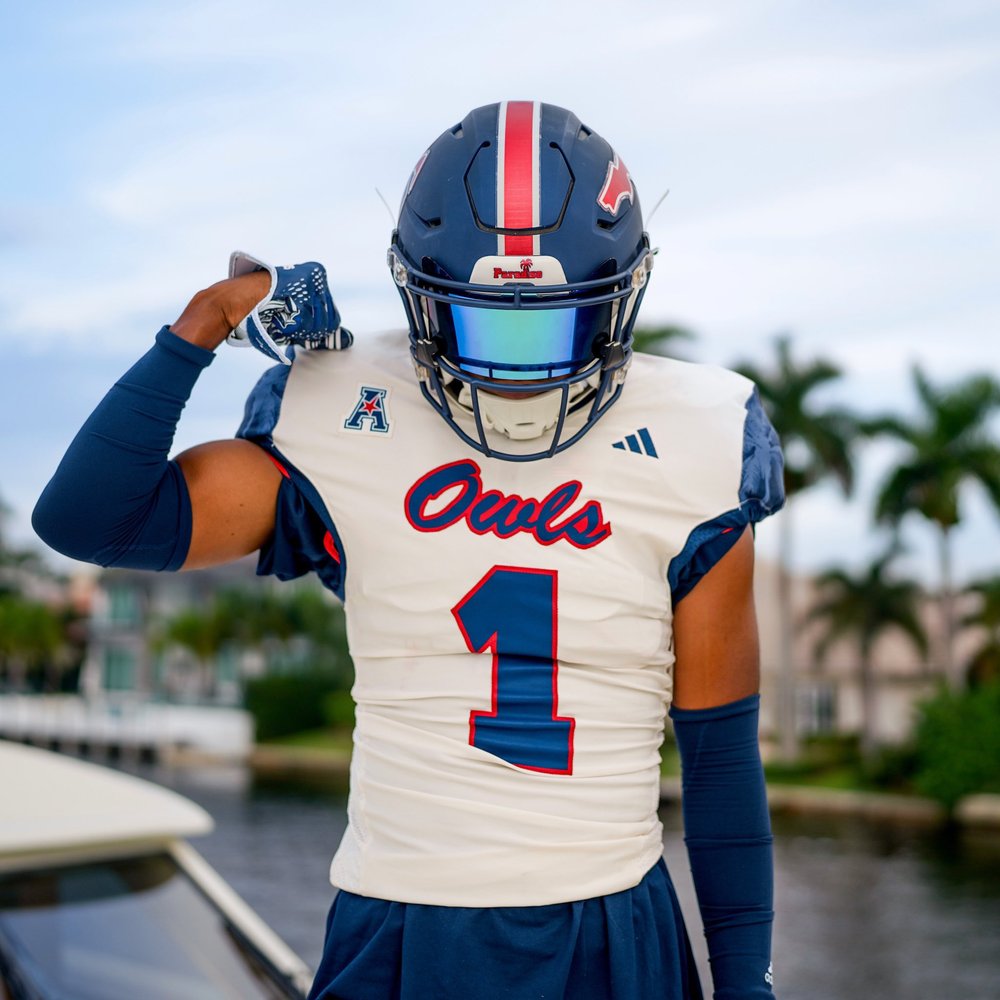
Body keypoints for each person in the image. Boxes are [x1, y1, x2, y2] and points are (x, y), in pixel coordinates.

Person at [34, 101, 784, 1000]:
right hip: (399, 918)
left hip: (607, 922)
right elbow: (90, 520)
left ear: (618, 301)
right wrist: (207, 321)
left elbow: (720, 759)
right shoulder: (344, 406)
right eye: (484, 325)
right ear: (422, 300)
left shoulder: (699, 434)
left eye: (552, 326)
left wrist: (747, 983)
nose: (519, 367)